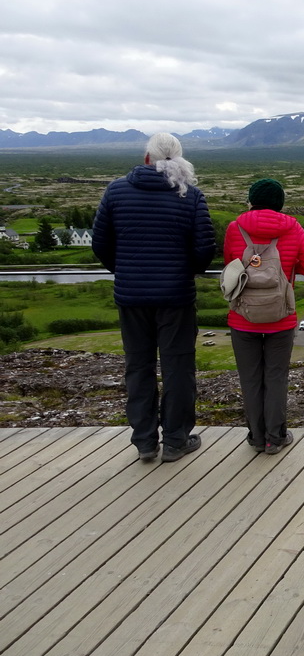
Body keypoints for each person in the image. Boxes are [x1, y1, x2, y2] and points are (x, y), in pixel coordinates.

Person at [92, 133, 216, 462]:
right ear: (177, 159)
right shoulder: (190, 195)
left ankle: (145, 442)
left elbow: (100, 244)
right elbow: (204, 250)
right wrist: (184, 270)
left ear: (147, 158)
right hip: (175, 296)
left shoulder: (116, 191)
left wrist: (125, 272)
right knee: (178, 368)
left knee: (138, 367)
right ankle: (176, 440)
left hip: (131, 296)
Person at [224, 178, 304, 455]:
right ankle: (274, 438)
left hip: (243, 317)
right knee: (276, 377)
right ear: (280, 202)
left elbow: (229, 265)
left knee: (250, 378)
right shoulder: (293, 227)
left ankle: (256, 437)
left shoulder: (235, 227)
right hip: (281, 316)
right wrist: (287, 270)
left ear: (252, 200)